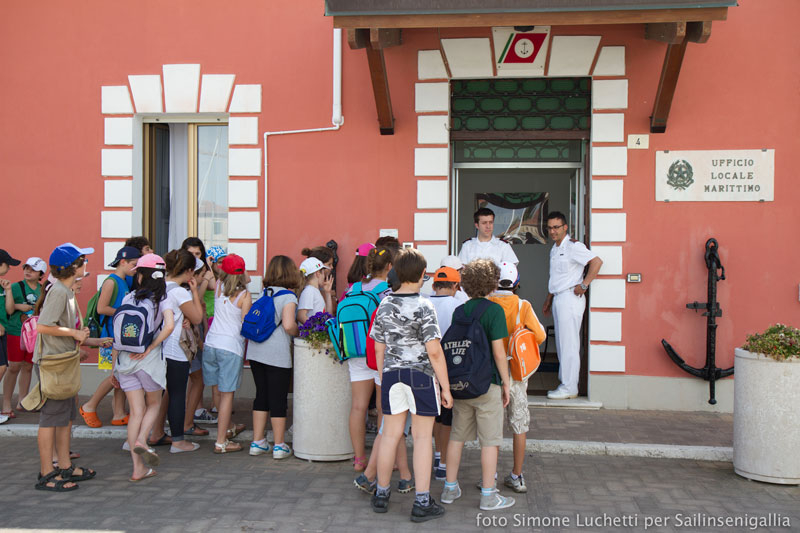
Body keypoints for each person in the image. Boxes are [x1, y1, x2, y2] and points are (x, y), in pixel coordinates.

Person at [369, 247, 453, 522]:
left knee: (390, 436)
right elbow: (435, 351)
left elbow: (378, 348)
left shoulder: (384, 304)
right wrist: (445, 387)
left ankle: (381, 494)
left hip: (392, 376)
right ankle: (422, 501)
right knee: (421, 438)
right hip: (420, 377)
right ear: (421, 275)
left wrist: (384, 376)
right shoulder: (425, 305)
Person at [441, 259, 515, 511]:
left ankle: (450, 489)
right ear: (493, 283)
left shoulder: (459, 311)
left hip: (461, 383)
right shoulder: (494, 312)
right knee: (490, 441)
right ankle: (488, 495)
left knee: (457, 437)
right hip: (487, 384)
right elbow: (498, 352)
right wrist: (506, 383)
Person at [33, 243, 96, 491]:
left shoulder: (65, 290)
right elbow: (43, 326)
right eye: (82, 261)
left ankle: (65, 466)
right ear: (72, 267)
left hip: (63, 363)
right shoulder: (59, 291)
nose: (85, 265)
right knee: (50, 419)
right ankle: (47, 473)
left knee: (65, 418)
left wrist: (83, 338)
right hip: (53, 365)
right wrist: (74, 334)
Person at [111, 253, 175, 482]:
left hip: (125, 362)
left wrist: (113, 369)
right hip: (148, 362)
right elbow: (169, 326)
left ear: (140, 276)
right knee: (154, 404)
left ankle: (138, 468)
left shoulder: (129, 298)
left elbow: (118, 333)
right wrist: (152, 346)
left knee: (135, 411)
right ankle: (141, 441)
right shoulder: (162, 299)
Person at [489, 261, 546, 493]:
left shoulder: (488, 304)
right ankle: (517, 475)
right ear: (516, 283)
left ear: (495, 282)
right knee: (519, 425)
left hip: (492, 375)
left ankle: (489, 476)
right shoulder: (523, 306)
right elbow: (540, 336)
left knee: (492, 428)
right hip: (516, 375)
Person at [542, 211, 603, 400]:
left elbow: (596, 262)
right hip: (559, 297)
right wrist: (549, 298)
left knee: (569, 344)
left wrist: (584, 285)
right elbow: (558, 277)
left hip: (570, 298)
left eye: (556, 227)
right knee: (562, 343)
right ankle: (564, 383)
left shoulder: (573, 247)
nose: (553, 231)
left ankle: (569, 387)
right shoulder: (555, 247)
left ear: (565, 227)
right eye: (550, 227)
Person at [148, 250, 204, 453]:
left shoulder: (158, 285)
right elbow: (197, 317)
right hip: (175, 349)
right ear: (189, 271)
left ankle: (153, 433)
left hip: (156, 348)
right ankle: (178, 441)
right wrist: (195, 293)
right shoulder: (180, 292)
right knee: (178, 394)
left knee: (159, 394)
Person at [246, 255, 302, 459]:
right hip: (276, 354)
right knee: (278, 397)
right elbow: (288, 325)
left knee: (261, 395)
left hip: (255, 351)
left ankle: (258, 441)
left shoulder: (264, 293)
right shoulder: (289, 296)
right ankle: (279, 445)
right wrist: (299, 331)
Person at [79, 246, 140, 428]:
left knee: (121, 376)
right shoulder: (111, 282)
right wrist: (127, 313)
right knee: (116, 375)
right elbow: (101, 308)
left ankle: (119, 413)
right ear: (123, 262)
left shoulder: (124, 280)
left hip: (119, 336)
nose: (136, 269)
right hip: (110, 337)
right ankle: (89, 406)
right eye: (134, 265)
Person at [347, 246, 392, 471]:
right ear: (390, 267)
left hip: (355, 350)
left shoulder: (353, 288)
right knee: (383, 408)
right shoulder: (388, 291)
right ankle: (383, 457)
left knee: (358, 407)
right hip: (378, 353)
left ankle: (359, 459)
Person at [203, 254, 252, 454]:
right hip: (230, 347)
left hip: (211, 343)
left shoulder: (218, 287)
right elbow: (245, 324)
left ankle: (228, 426)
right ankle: (221, 442)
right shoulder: (244, 295)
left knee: (217, 391)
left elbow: (226, 276)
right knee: (227, 396)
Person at [428, 266, 462, 481]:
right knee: (447, 417)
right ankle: (443, 464)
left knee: (433, 416)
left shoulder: (424, 303)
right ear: (456, 286)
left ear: (434, 285)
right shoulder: (458, 305)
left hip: (425, 366)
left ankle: (437, 453)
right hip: (449, 367)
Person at [3, 257, 46, 416]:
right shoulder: (15, 287)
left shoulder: (43, 289)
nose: (28, 271)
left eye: (33, 269)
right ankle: (7, 402)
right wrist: (17, 306)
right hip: (15, 331)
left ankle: (23, 400)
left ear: (41, 273)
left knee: (28, 366)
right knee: (13, 367)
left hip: (34, 334)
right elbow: (6, 306)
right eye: (26, 268)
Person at [0, 248, 21, 423]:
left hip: (3, 332)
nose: (9, 269)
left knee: (3, 368)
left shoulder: (3, 285)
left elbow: (9, 310)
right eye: (7, 265)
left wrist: (7, 291)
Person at [296, 257, 332, 325]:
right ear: (318, 273)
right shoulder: (309, 291)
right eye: (323, 273)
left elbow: (328, 315)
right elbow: (301, 315)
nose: (324, 276)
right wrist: (315, 329)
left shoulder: (314, 291)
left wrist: (328, 293)